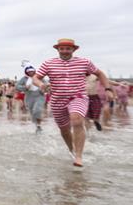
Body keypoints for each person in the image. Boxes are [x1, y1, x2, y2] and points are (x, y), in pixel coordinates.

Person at [33, 38, 111, 167]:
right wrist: (41, 85)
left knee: (76, 120)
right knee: (64, 129)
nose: (65, 51)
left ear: (73, 49)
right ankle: (72, 150)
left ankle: (79, 156)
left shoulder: (84, 62)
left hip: (78, 97)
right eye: (62, 48)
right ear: (57, 49)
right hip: (57, 100)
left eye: (68, 48)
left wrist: (108, 89)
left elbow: (100, 73)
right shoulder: (49, 63)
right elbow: (36, 78)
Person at [15, 65, 45, 132]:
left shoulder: (39, 77)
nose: (31, 72)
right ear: (26, 72)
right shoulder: (24, 78)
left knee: (37, 110)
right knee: (32, 112)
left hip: (39, 96)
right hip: (29, 97)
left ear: (34, 71)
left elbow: (45, 84)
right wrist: (25, 87)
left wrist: (43, 89)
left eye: (32, 71)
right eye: (29, 71)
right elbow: (17, 86)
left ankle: (39, 125)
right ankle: (37, 125)